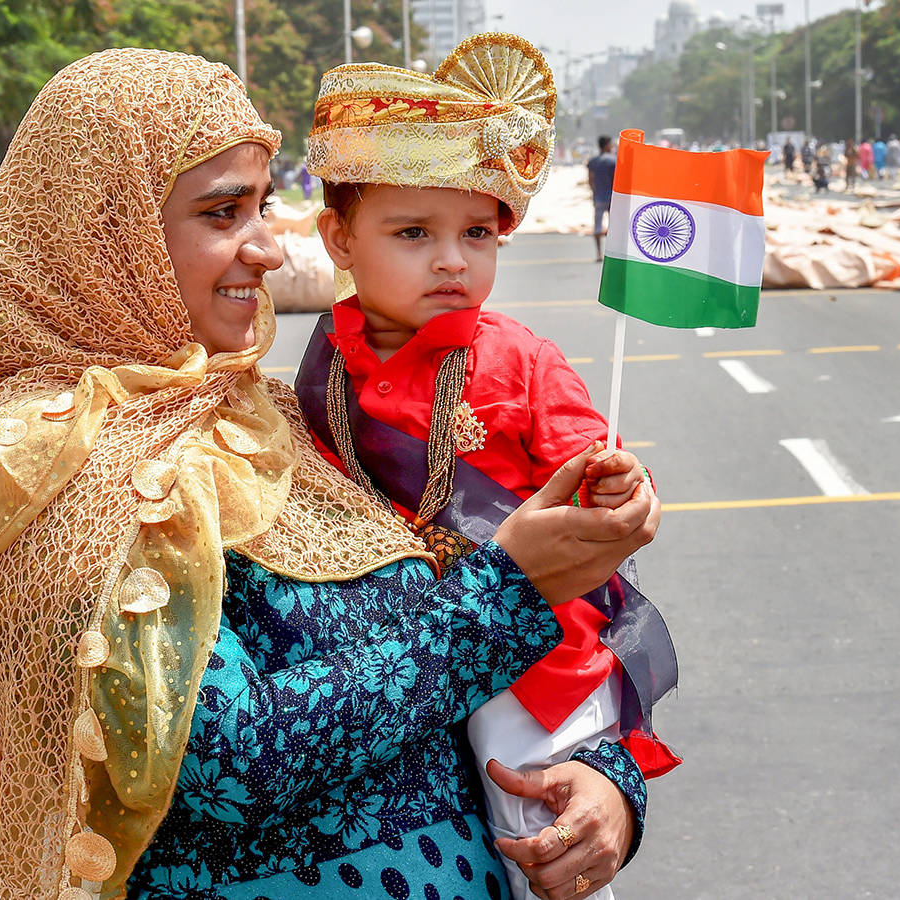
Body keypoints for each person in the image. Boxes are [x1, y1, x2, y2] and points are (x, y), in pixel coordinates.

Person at [0, 48, 660, 900]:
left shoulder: (270, 410)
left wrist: (608, 782)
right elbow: (225, 761)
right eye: (223, 212)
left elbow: (444, 648)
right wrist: (512, 590)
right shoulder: (51, 462)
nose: (268, 249)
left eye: (263, 206)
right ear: (105, 232)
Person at [297, 34, 679, 900]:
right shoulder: (320, 371)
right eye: (413, 232)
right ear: (338, 238)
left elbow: (595, 465)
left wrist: (617, 487)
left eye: (477, 232)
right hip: (388, 658)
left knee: (539, 836)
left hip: (530, 664)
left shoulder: (521, 357)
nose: (452, 260)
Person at [587, 135, 617, 261]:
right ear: (606, 146)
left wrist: (594, 192)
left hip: (598, 197)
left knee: (598, 226)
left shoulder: (593, 161)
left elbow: (590, 179)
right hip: (612, 198)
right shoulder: (613, 160)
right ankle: (613, 254)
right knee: (614, 226)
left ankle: (598, 254)